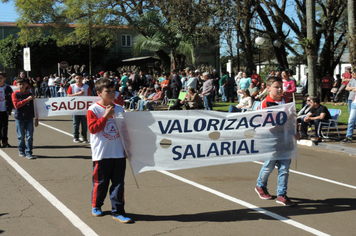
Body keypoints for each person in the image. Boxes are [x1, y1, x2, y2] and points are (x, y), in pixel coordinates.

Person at [87, 78, 133, 223]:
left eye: (114, 90)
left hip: (118, 153)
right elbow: (93, 129)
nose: (112, 94)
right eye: (108, 91)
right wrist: (106, 116)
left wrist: (127, 148)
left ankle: (118, 211)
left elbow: (124, 130)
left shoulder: (119, 109)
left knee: (119, 184)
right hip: (102, 153)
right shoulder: (93, 109)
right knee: (101, 183)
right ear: (99, 93)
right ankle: (96, 205)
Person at [255, 76, 299, 207]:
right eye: (276, 87)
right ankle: (260, 185)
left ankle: (281, 194)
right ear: (268, 88)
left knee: (284, 168)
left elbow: (293, 118)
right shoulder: (264, 103)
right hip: (271, 139)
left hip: (286, 140)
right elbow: (259, 121)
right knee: (269, 165)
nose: (280, 89)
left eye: (281, 87)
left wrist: (296, 131)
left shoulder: (288, 101)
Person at [12, 77, 39, 159]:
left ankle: (29, 152)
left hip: (29, 117)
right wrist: (27, 100)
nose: (21, 86)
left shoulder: (30, 94)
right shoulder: (15, 94)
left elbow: (35, 107)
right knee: (21, 136)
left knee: (30, 136)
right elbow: (16, 105)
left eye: (23, 84)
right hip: (20, 118)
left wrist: (36, 119)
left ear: (27, 85)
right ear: (16, 85)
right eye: (20, 84)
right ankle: (21, 150)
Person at [67, 73, 92, 143]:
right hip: (75, 108)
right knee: (76, 123)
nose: (78, 80)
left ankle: (84, 137)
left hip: (84, 108)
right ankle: (76, 137)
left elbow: (90, 97)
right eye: (77, 78)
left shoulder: (86, 87)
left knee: (84, 123)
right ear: (75, 79)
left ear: (83, 78)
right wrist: (77, 94)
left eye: (80, 78)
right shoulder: (72, 86)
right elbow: (68, 96)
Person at [0, 71, 13, 148]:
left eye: (1, 78)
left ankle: (5, 141)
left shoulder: (7, 88)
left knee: (5, 126)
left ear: (4, 78)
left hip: (5, 109)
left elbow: (12, 98)